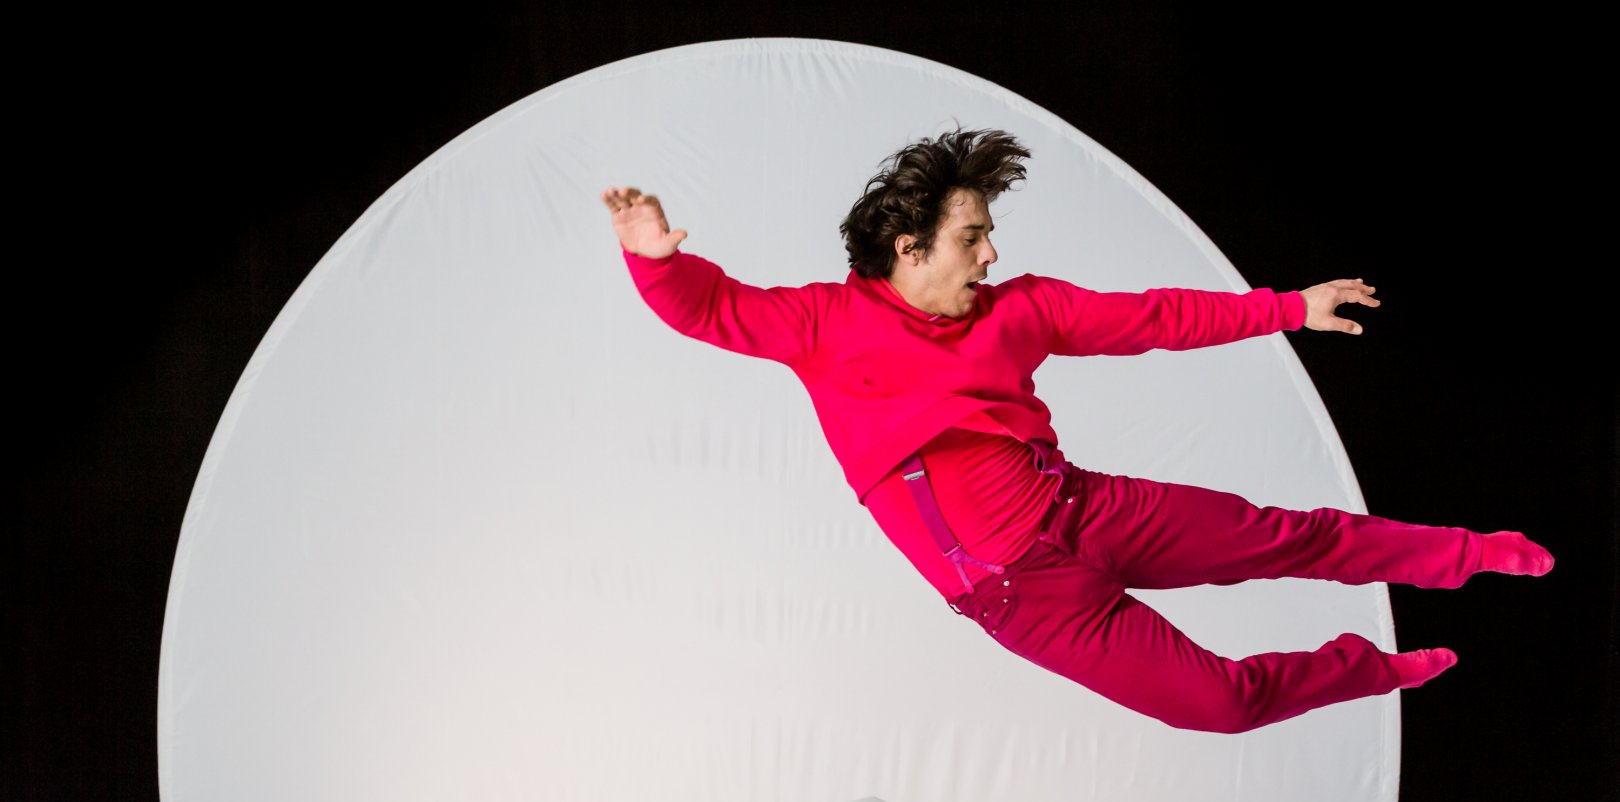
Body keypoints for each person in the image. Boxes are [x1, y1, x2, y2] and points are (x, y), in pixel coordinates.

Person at [600, 127, 1552, 734]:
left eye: (988, 233)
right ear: (908, 247)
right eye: (972, 236)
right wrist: (654, 259)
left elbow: (1154, 317)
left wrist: (1289, 309)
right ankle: (1364, 669)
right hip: (1028, 602)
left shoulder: (1021, 308)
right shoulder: (824, 324)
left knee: (1291, 534)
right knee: (1219, 705)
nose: (992, 252)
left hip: (1089, 512)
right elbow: (709, 309)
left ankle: (1466, 555)